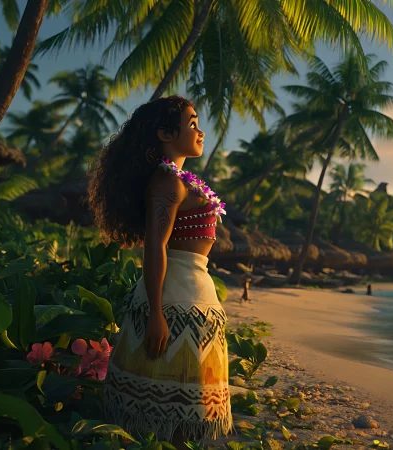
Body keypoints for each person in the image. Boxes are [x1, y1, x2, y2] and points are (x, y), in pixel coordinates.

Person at [88, 95, 232, 447]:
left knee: (181, 414)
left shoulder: (179, 178)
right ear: (166, 134)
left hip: (192, 291)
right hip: (173, 298)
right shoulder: (167, 183)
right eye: (192, 124)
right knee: (172, 418)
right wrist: (156, 313)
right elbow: (154, 247)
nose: (200, 132)